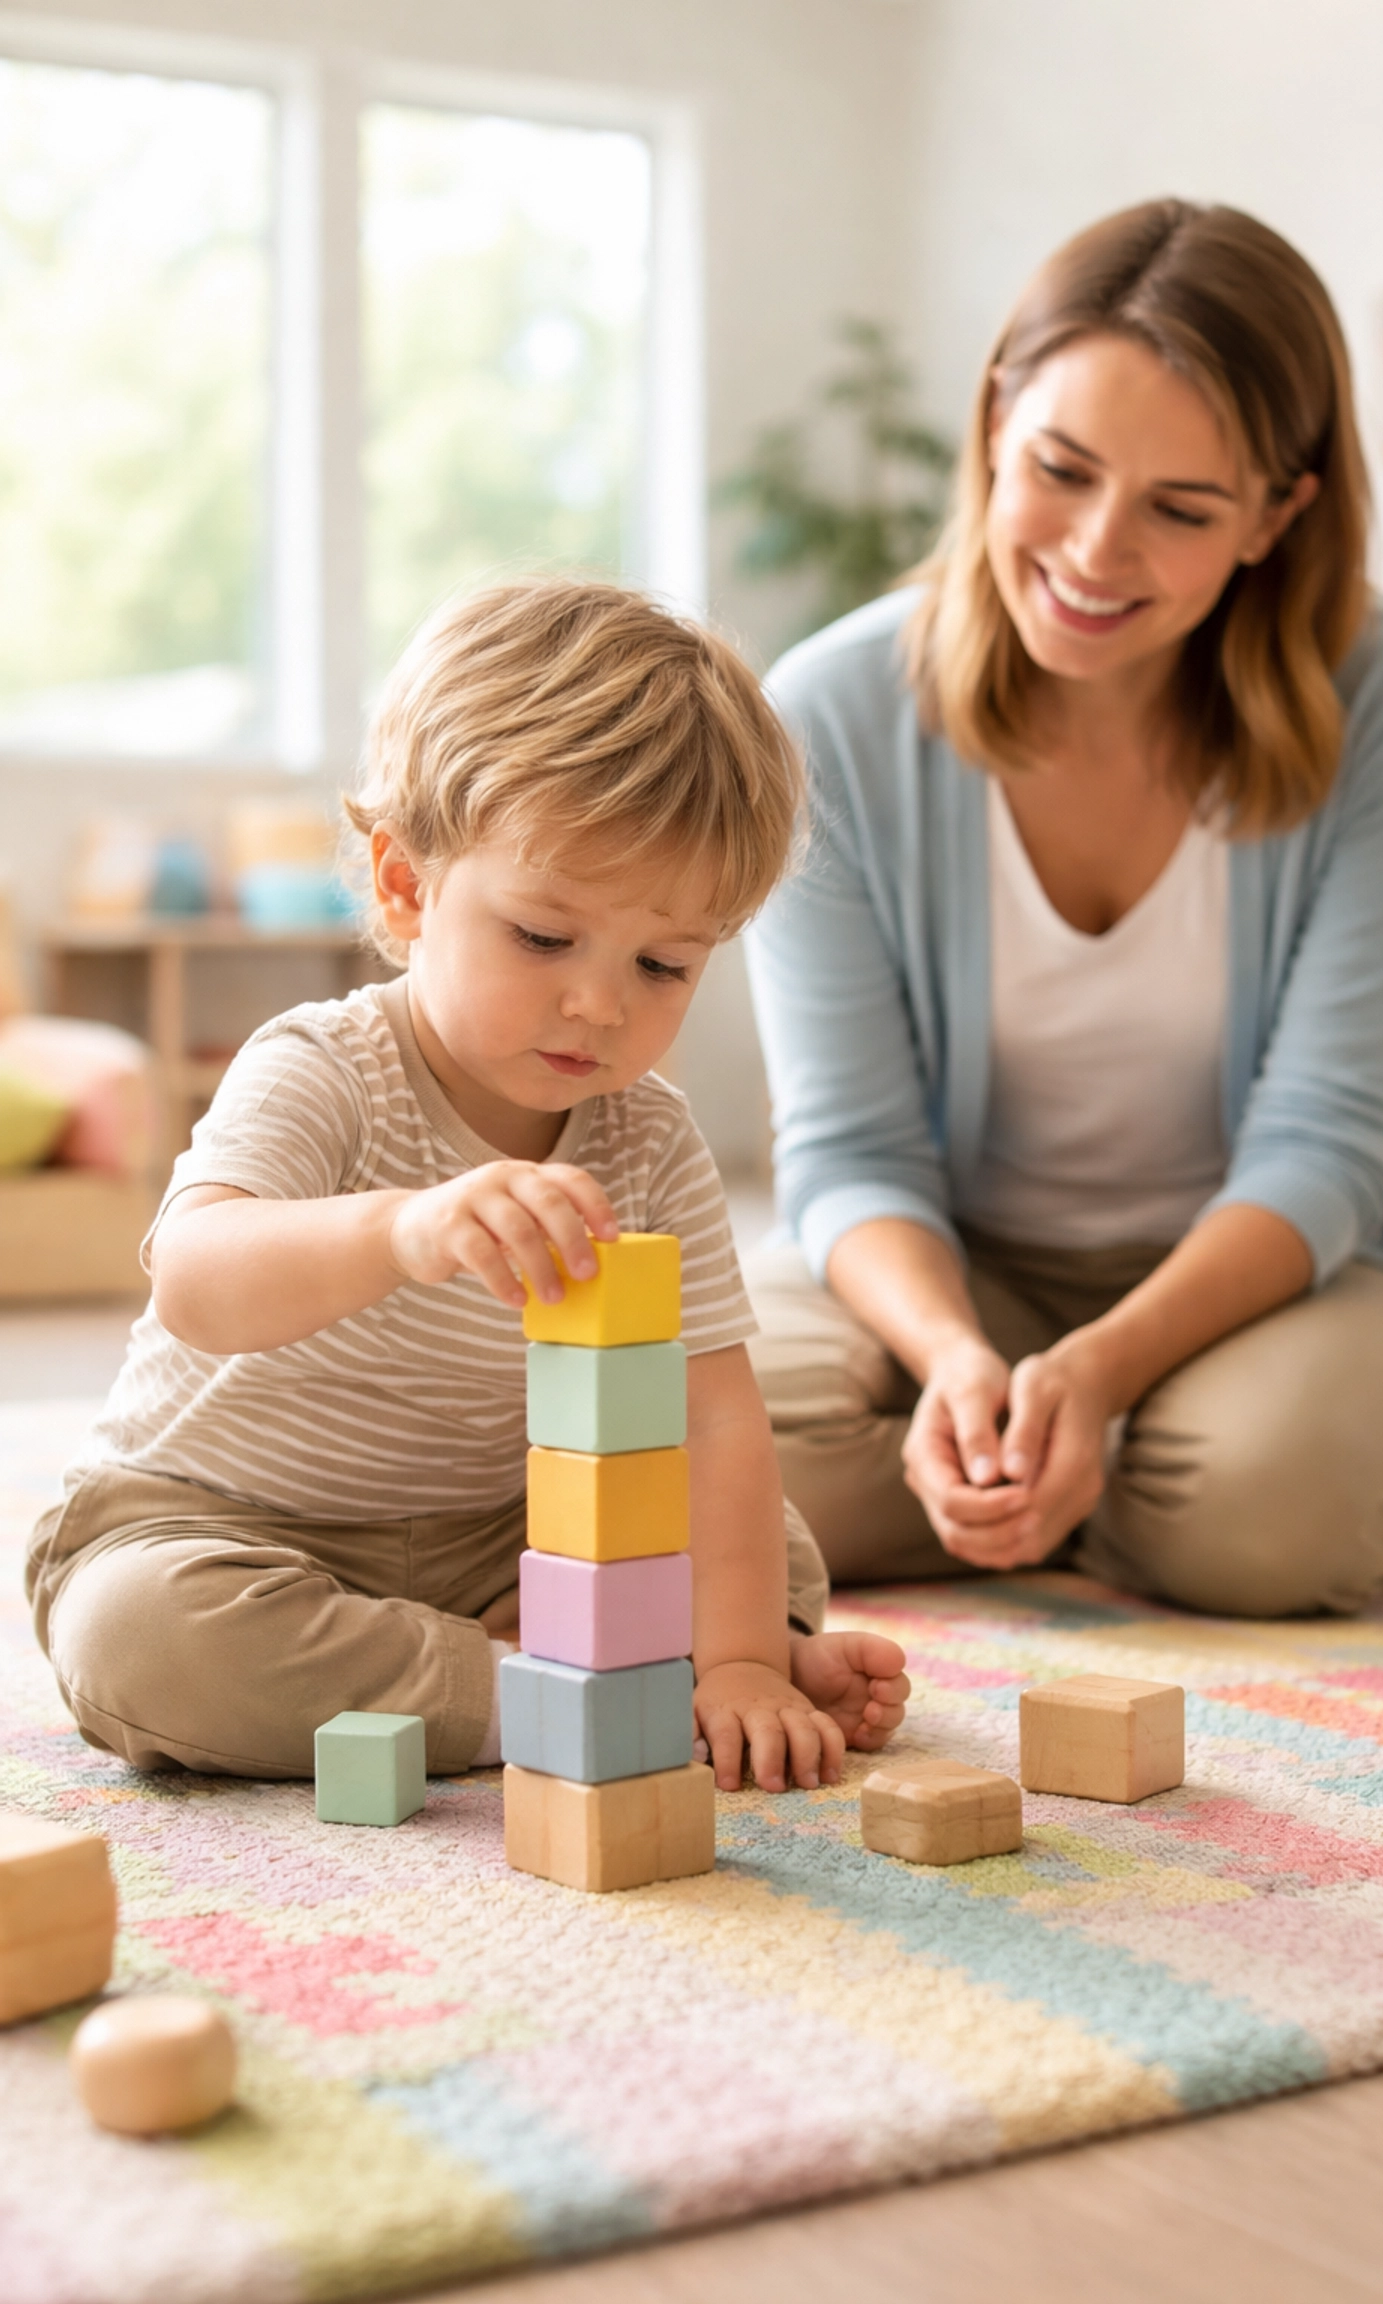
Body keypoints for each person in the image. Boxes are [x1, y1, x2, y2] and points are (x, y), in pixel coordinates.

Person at [28, 579, 909, 1788]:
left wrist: (747, 1657)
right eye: (544, 937)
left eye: (663, 964)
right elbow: (196, 1283)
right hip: (226, 1523)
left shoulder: (647, 1139)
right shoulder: (323, 1068)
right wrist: (402, 1230)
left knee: (765, 1541)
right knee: (138, 1639)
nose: (599, 1002)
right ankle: (540, 1697)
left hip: (504, 1537)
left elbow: (713, 1416)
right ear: (406, 886)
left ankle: (662, 1673)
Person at [744, 199, 1383, 1619]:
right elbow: (847, 1151)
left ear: (1276, 516)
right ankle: (1065, 1475)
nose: (1093, 551)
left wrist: (1099, 1370)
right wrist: (963, 1365)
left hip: (1294, 1279)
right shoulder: (825, 715)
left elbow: (1329, 1146)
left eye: (1181, 510)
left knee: (1269, 1513)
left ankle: (1088, 1459)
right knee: (667, 1451)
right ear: (993, 420)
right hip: (953, 1273)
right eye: (1061, 470)